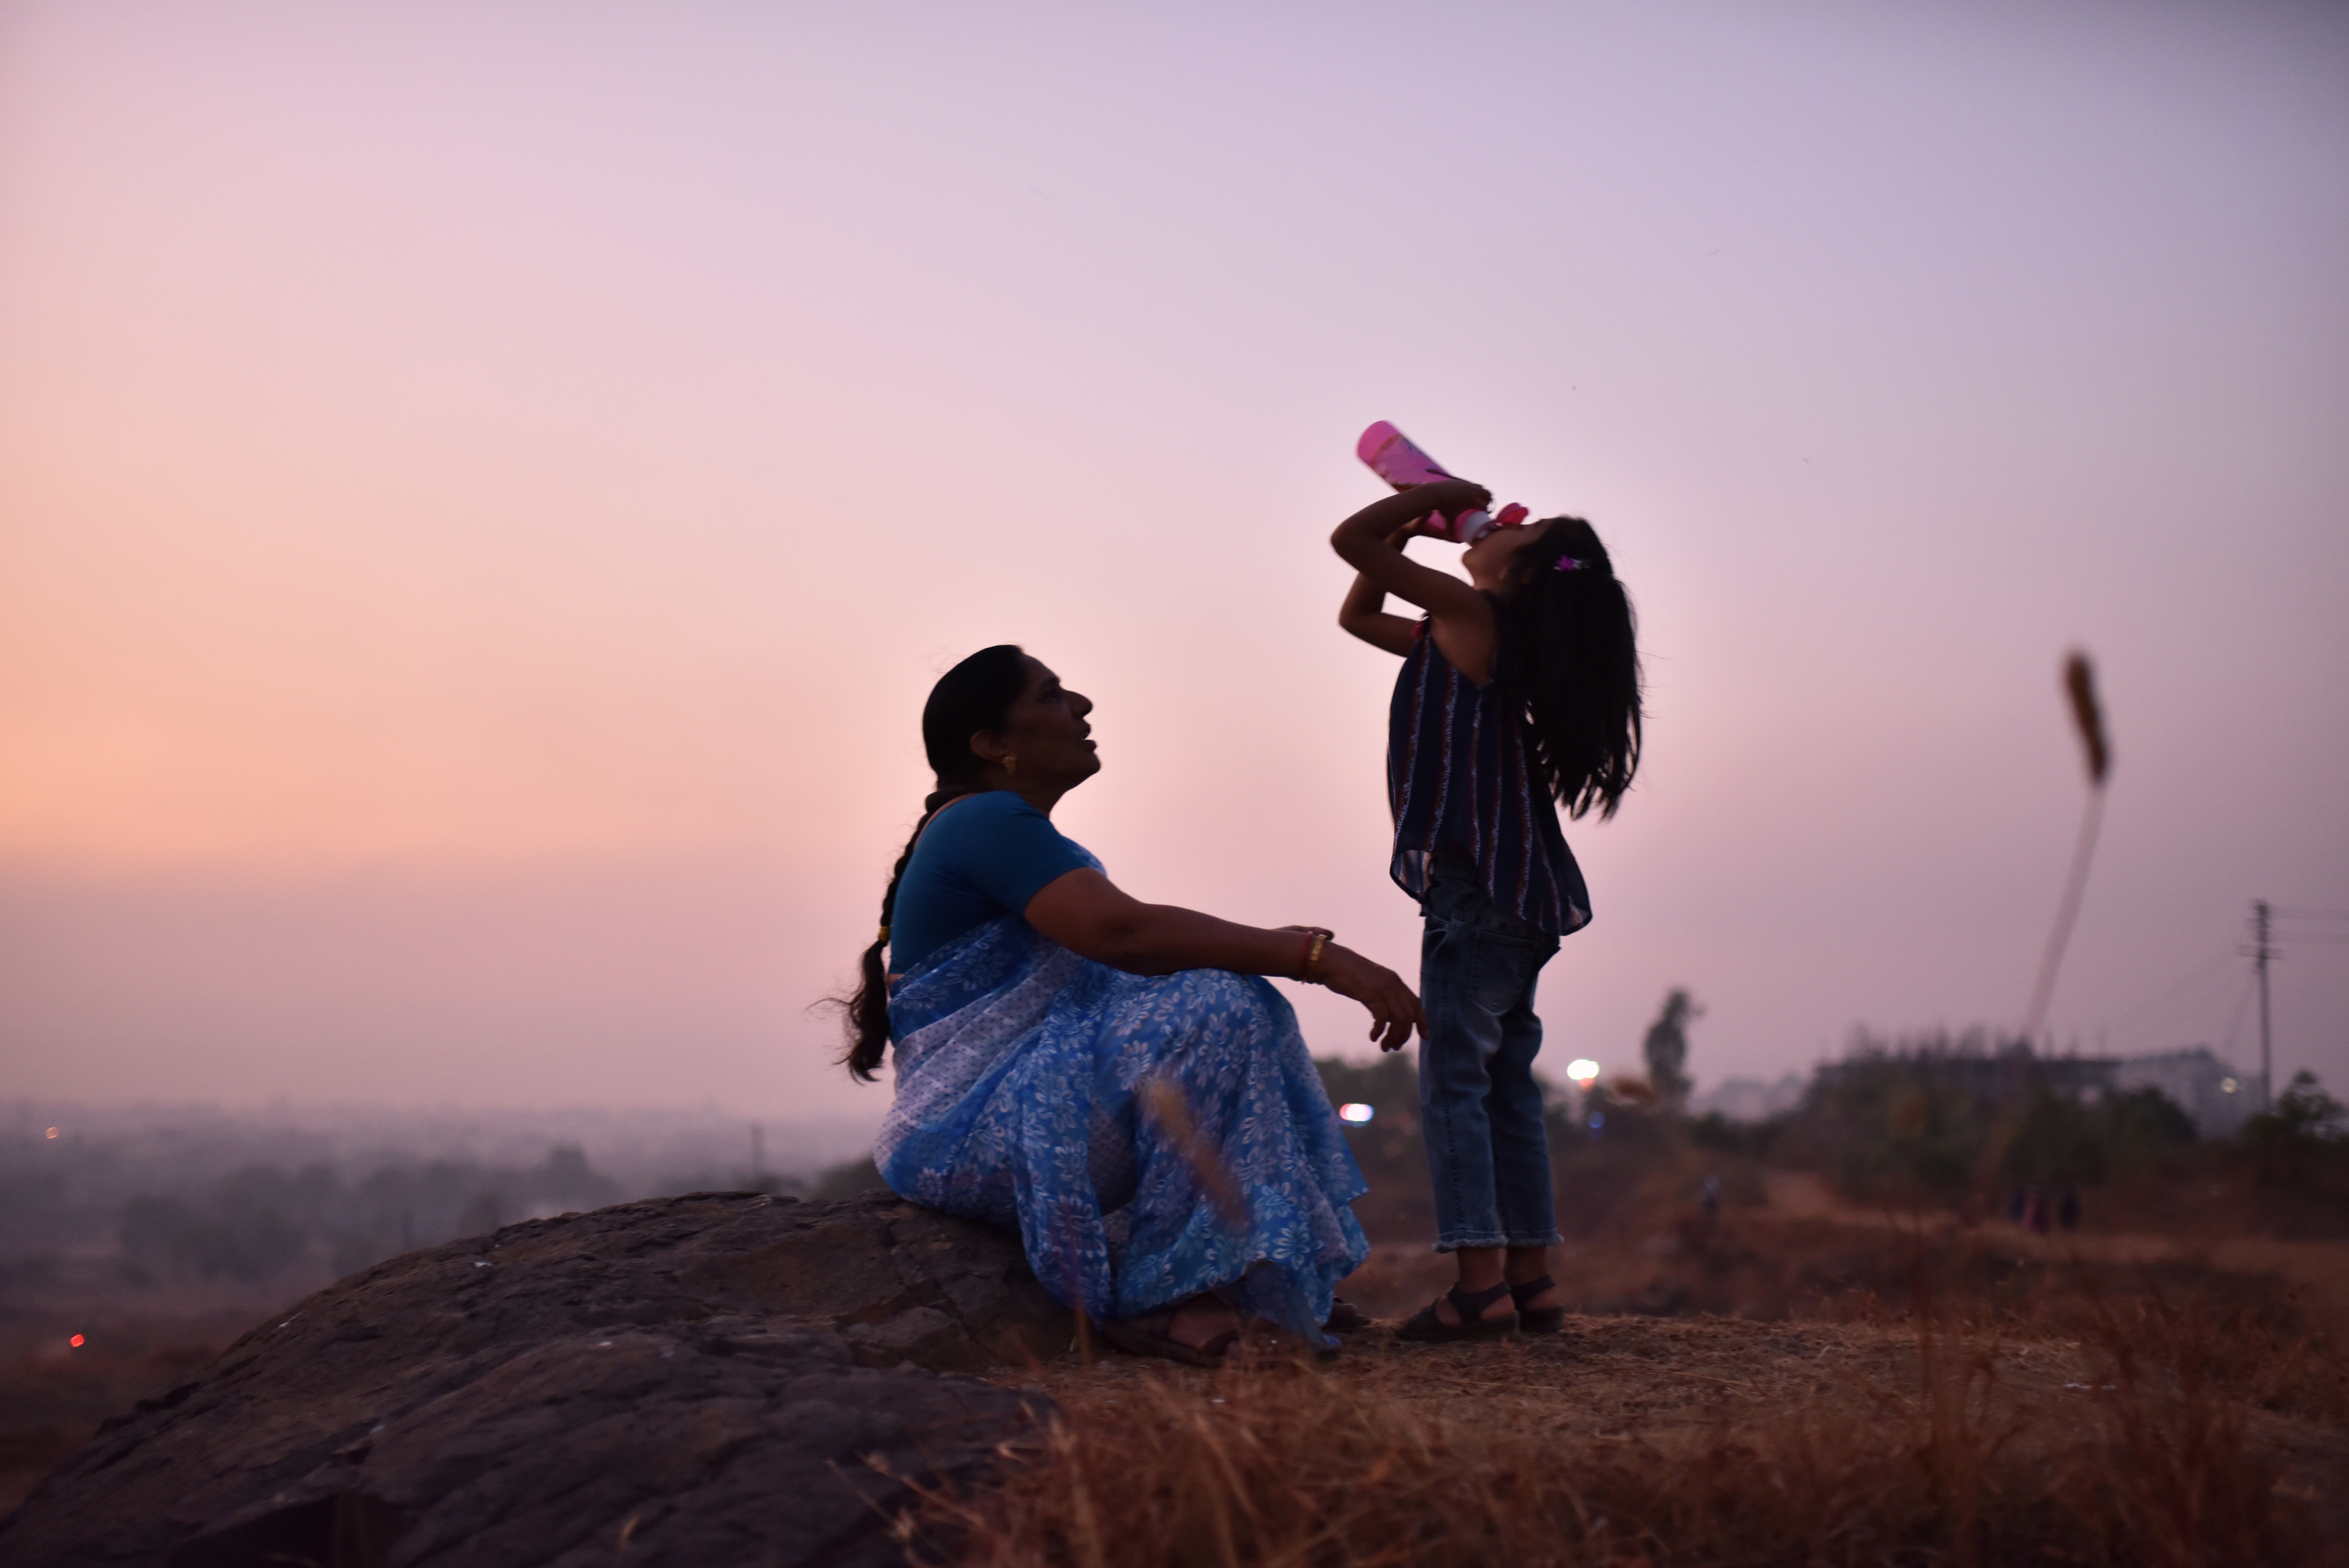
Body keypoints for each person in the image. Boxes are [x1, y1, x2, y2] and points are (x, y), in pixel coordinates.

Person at [839, 645, 1425, 1363]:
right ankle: (1170, 1295)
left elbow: (1117, 968)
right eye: (1052, 697)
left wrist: (1265, 946)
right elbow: (1125, 936)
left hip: (1002, 1120)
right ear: (993, 746)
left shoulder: (1007, 829)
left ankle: (1244, 1275)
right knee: (1216, 1003)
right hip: (966, 1133)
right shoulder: (984, 819)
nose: (1081, 707)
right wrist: (1318, 959)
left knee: (1228, 996)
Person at [1332, 476, 1643, 1340]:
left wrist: (1425, 496)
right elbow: (1356, 615)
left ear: (1520, 575)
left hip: (1476, 892)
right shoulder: (1461, 628)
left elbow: (1345, 542)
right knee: (1504, 1085)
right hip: (1521, 893)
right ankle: (1530, 1280)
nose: (1505, 516)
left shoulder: (1477, 619)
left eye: (1525, 526)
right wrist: (1414, 541)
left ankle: (1476, 1288)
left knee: (1453, 1085)